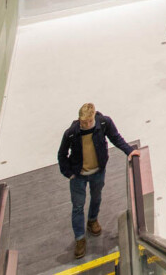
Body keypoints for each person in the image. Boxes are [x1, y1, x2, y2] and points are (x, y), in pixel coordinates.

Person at [58, 103, 136, 259]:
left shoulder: (104, 123)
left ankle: (92, 220)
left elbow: (116, 138)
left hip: (97, 172)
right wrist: (69, 174)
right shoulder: (72, 133)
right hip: (78, 175)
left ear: (94, 117)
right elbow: (62, 155)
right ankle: (80, 238)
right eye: (83, 122)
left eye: (88, 122)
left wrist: (130, 151)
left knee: (96, 197)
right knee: (78, 206)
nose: (85, 125)